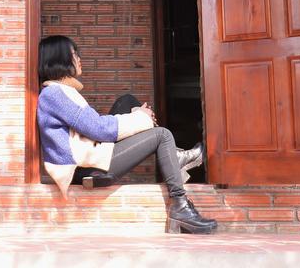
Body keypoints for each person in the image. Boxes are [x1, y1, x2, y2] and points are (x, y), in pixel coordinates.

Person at [35, 34, 218, 235]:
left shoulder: (59, 92)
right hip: (86, 170)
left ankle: (174, 155)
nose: (79, 59)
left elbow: (95, 128)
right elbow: (98, 129)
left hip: (90, 158)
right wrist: (141, 118)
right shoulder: (54, 95)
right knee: (162, 135)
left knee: (127, 101)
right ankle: (180, 206)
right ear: (59, 59)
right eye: (74, 54)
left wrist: (138, 115)